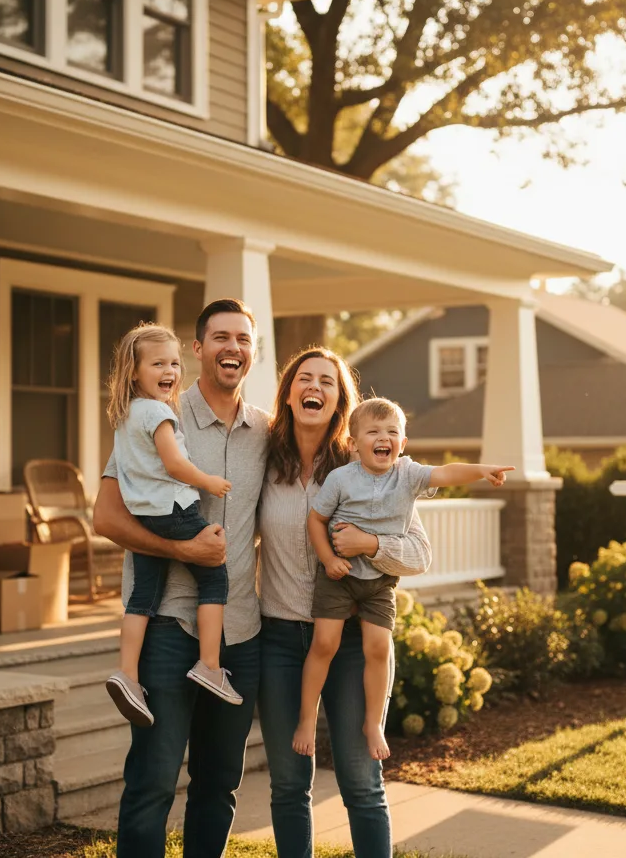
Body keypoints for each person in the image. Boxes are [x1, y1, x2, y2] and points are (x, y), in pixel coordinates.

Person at [93, 299, 267, 858]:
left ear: (253, 351)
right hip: (168, 626)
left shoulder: (266, 431)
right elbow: (106, 518)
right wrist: (180, 546)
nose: (231, 348)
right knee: (152, 783)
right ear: (198, 350)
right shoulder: (153, 412)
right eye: (220, 337)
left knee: (218, 786)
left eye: (242, 338)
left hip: (239, 629)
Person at [257, 347, 432, 858]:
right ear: (289, 393)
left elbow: (419, 554)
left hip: (353, 639)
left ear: (339, 401)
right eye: (304, 378)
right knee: (289, 783)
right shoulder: (264, 462)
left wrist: (372, 546)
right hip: (281, 639)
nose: (314, 387)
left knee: (361, 780)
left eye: (326, 382)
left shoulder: (370, 469)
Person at [292, 396, 515, 762]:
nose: (385, 437)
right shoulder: (341, 478)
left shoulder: (408, 474)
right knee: (325, 645)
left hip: (379, 581)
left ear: (403, 444)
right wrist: (328, 559)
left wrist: (482, 469)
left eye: (393, 432)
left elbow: (446, 472)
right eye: (374, 432)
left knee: (378, 648)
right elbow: (315, 520)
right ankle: (306, 720)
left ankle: (373, 722)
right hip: (340, 576)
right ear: (353, 443)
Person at [104, 323, 241, 727]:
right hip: (174, 509)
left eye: (175, 363)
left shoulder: (126, 414)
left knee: (143, 595)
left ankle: (127, 674)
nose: (171, 371)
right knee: (214, 577)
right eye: (158, 363)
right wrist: (208, 481)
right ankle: (210, 664)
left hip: (144, 514)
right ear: (134, 371)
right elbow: (174, 464)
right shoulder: (160, 412)